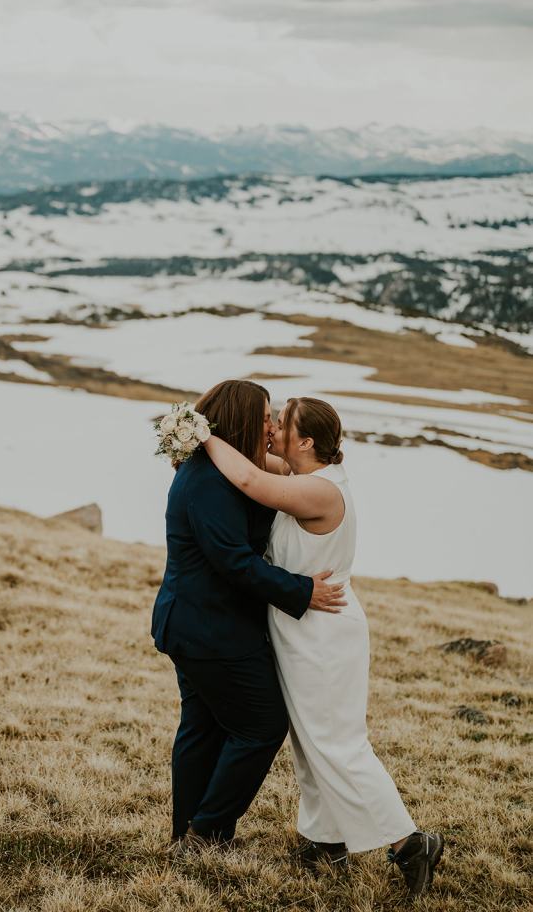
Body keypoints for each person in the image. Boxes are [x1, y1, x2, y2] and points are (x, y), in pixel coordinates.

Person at [202, 396, 444, 897]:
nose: (272, 430)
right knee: (310, 740)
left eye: (281, 424)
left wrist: (198, 433)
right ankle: (324, 839)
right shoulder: (301, 474)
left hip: (324, 634)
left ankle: (410, 842)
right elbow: (251, 462)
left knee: (338, 743)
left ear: (306, 441)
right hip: (302, 629)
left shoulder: (318, 490)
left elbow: (247, 479)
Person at [151, 380, 345, 849]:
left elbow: (277, 475)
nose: (270, 427)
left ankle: (188, 835)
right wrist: (303, 591)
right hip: (208, 627)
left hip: (202, 622)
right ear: (239, 420)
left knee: (203, 727)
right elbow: (234, 562)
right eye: (263, 419)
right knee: (261, 727)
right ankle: (207, 832)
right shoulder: (207, 482)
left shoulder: (228, 466)